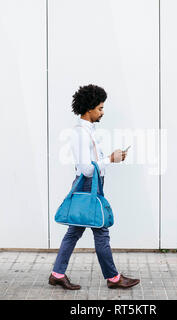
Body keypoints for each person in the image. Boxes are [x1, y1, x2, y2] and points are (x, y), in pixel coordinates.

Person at [48, 84, 140, 290]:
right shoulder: (80, 133)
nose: (102, 112)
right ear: (89, 109)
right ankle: (113, 278)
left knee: (74, 232)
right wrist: (111, 158)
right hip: (89, 184)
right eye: (100, 108)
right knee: (101, 231)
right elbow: (86, 169)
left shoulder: (89, 130)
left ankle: (57, 274)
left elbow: (93, 162)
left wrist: (111, 158)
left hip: (93, 185)